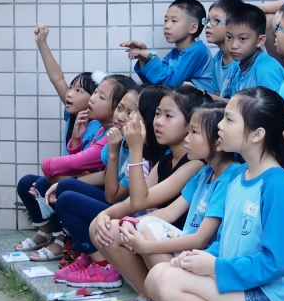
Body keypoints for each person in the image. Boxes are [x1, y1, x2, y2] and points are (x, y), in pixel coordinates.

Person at [145, 87, 284, 301]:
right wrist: (196, 258)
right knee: (158, 275)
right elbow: (229, 241)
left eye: (229, 119)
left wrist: (215, 266)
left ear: (257, 134)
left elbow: (275, 263)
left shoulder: (277, 185)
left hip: (272, 297)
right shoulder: (238, 178)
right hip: (244, 283)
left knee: (168, 282)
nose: (220, 125)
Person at [99, 103, 245, 301]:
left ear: (218, 142)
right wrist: (129, 223)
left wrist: (145, 244)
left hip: (205, 256)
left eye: (194, 132)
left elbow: (201, 239)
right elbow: (169, 211)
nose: (187, 138)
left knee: (147, 230)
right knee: (133, 227)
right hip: (191, 250)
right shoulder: (205, 173)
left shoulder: (229, 175)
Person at [54, 86, 207, 288]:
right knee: (102, 224)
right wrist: (105, 215)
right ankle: (147, 296)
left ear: (190, 125)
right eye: (158, 114)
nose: (158, 121)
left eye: (168, 116)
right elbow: (131, 203)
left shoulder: (194, 164)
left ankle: (152, 296)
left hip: (176, 244)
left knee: (131, 228)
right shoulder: (167, 160)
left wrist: (136, 149)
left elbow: (139, 202)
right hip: (156, 233)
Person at [20, 75, 136, 262]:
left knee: (63, 194)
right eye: (95, 92)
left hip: (117, 204)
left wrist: (52, 169)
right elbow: (94, 170)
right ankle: (53, 235)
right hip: (109, 194)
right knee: (38, 184)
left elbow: (83, 168)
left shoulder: (115, 138)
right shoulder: (103, 130)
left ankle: (96, 259)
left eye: (100, 96)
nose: (93, 99)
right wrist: (75, 140)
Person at [123, 0, 212, 88]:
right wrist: (143, 59)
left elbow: (172, 83)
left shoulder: (198, 50)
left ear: (193, 28)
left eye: (174, 20)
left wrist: (150, 56)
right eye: (166, 20)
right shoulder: (173, 54)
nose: (167, 26)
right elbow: (155, 84)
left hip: (204, 96)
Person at [224, 3, 284, 95]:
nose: (234, 45)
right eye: (229, 37)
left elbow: (274, 104)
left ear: (260, 40)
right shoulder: (236, 67)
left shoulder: (266, 70)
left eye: (242, 39)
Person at [193, 0, 244, 100]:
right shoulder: (218, 57)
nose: (208, 25)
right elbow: (218, 97)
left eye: (216, 20)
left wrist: (199, 93)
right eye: (208, 20)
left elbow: (239, 105)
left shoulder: (242, 61)